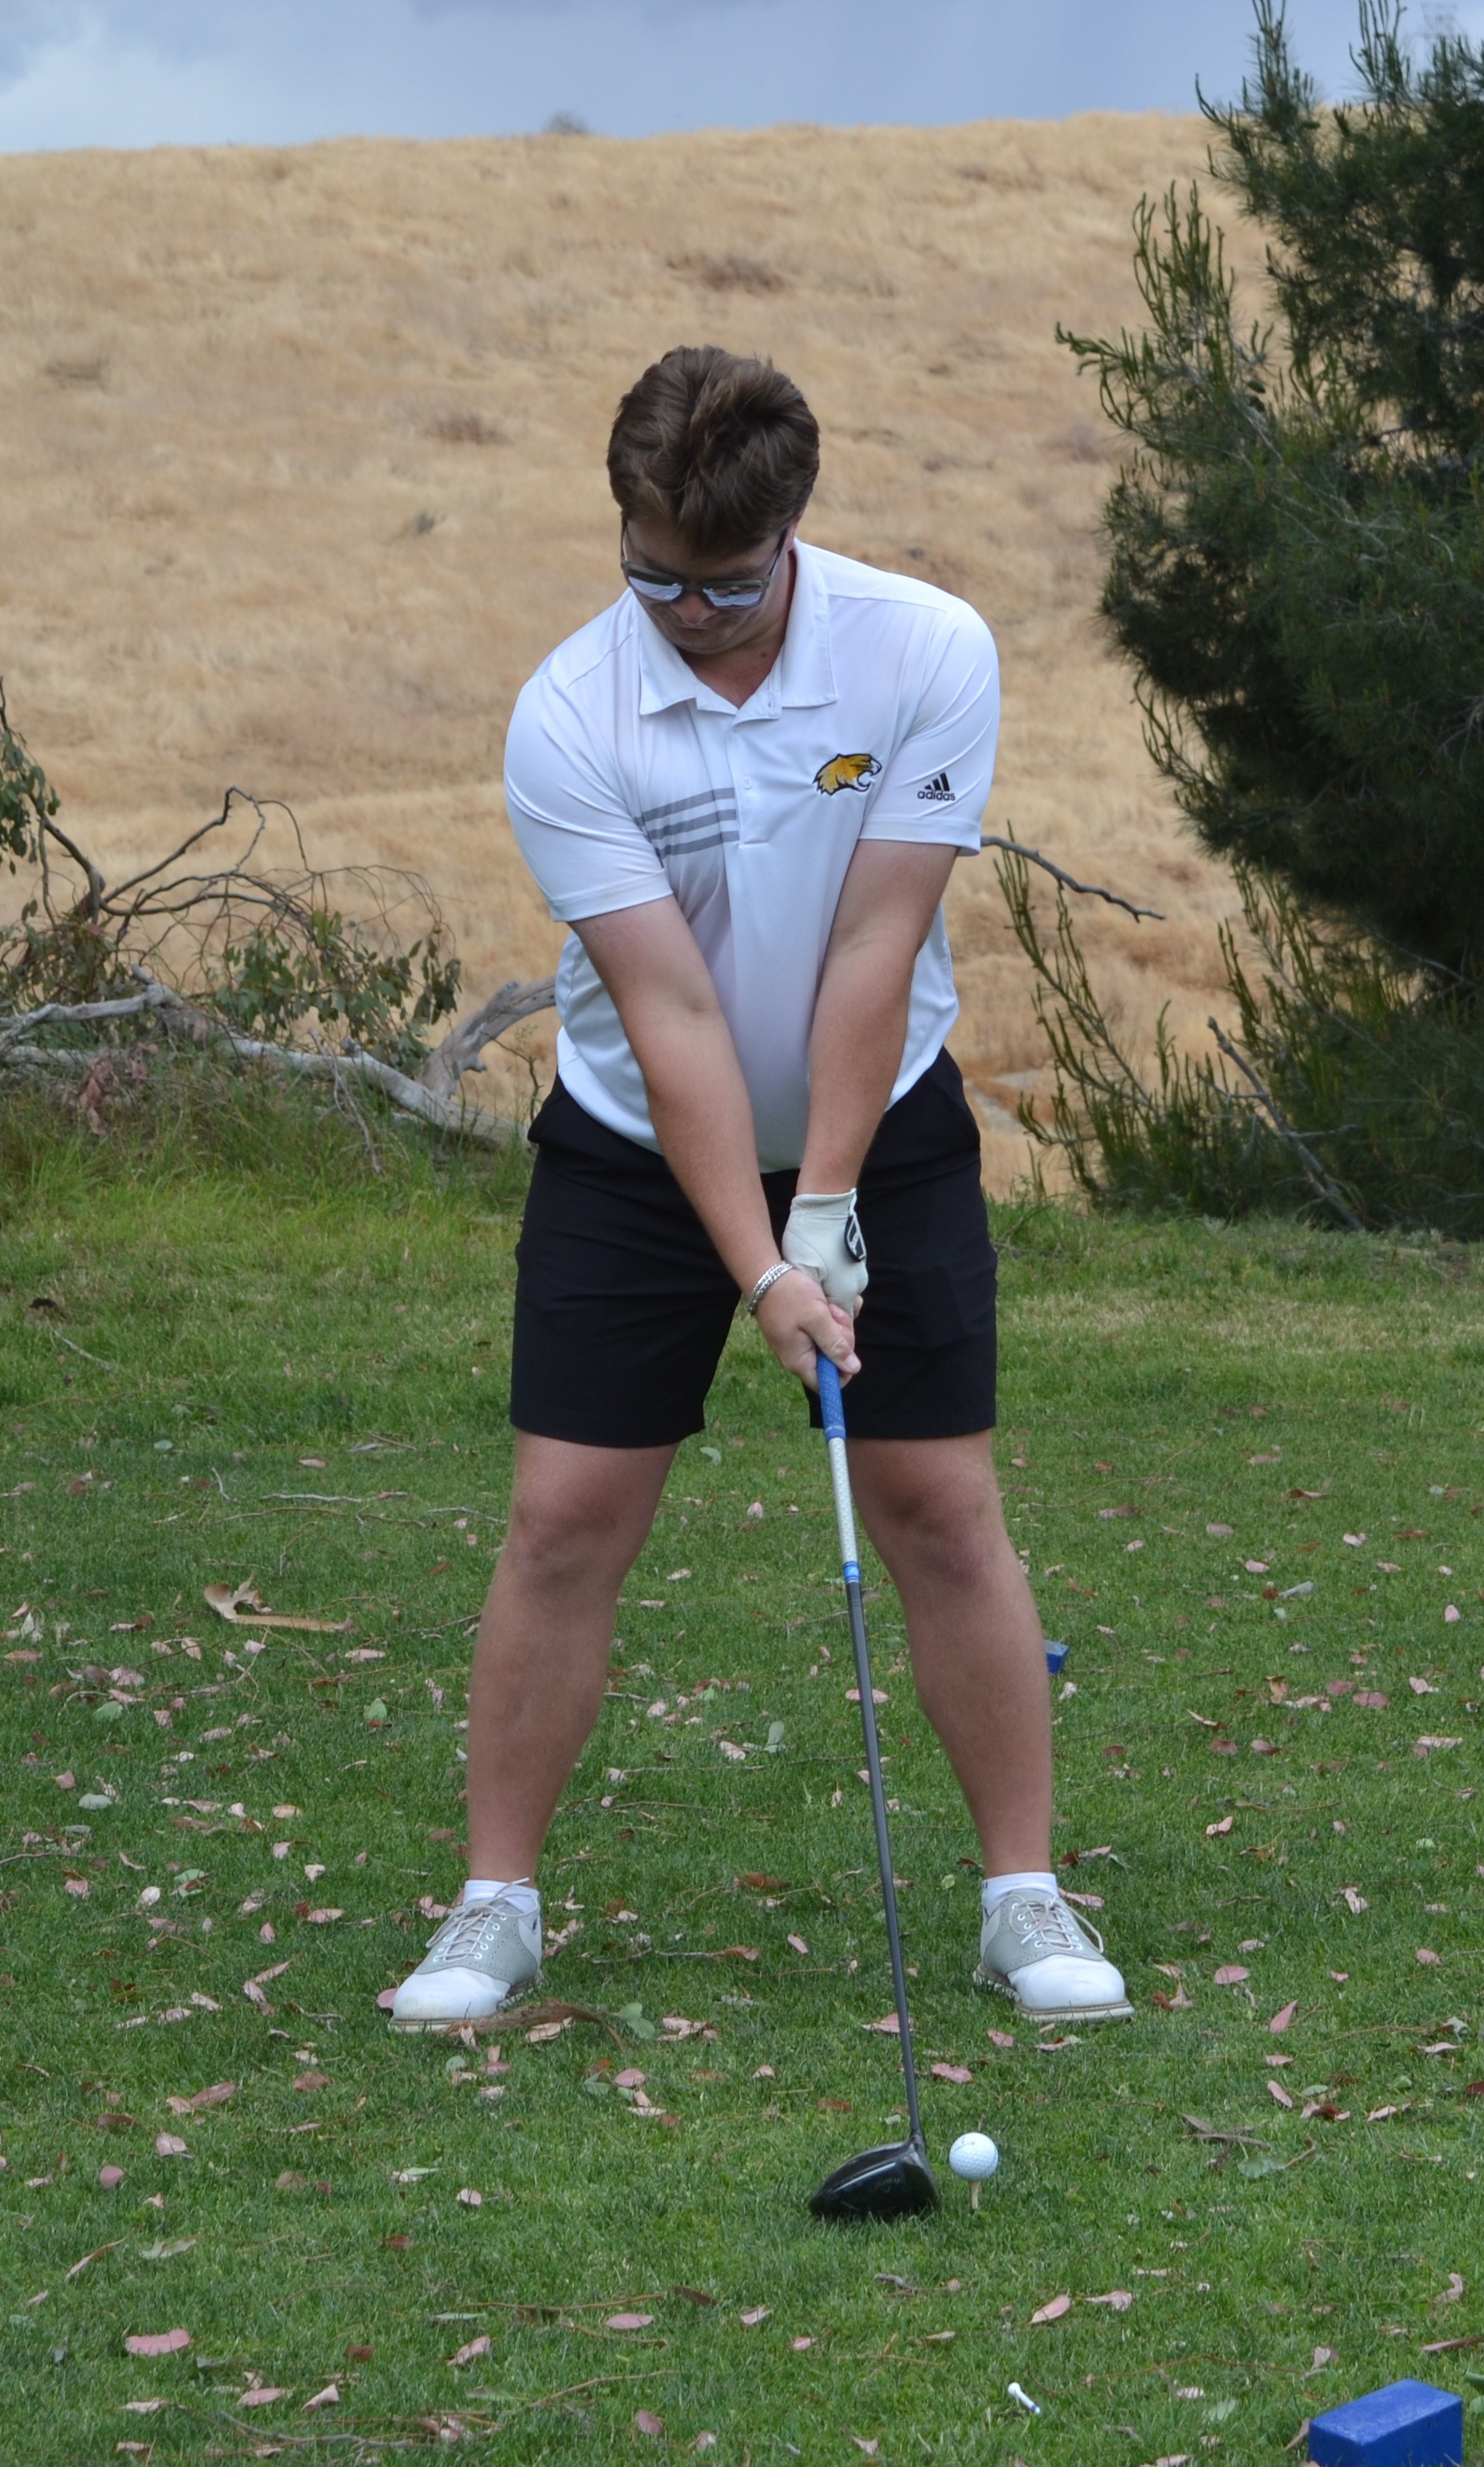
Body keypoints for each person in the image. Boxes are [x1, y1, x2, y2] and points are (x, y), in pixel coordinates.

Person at [384, 345, 1126, 2034]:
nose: (683, 614)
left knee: (942, 1511)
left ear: (789, 533)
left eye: (717, 589)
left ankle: (1025, 1898)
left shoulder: (922, 653)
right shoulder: (572, 714)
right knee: (565, 1521)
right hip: (635, 1149)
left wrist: (831, 1204)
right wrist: (768, 1267)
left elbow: (879, 942)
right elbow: (675, 1015)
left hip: (892, 1127)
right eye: (649, 575)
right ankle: (493, 1906)